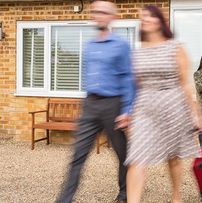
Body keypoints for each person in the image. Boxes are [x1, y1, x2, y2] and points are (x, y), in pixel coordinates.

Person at [125, 5, 202, 203]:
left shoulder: (175, 47)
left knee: (173, 156)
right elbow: (133, 85)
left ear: (160, 21)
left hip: (174, 105)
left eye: (151, 16)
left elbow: (186, 83)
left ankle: (176, 197)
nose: (146, 19)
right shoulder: (137, 51)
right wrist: (128, 111)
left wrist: (196, 112)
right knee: (137, 157)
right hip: (145, 108)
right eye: (143, 17)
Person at [56, 1, 135, 203]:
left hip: (113, 105)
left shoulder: (121, 45)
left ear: (112, 17)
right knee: (78, 154)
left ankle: (124, 193)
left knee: (123, 154)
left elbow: (128, 79)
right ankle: (64, 199)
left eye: (102, 12)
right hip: (91, 104)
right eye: (95, 12)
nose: (97, 15)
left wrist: (126, 111)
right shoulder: (89, 45)